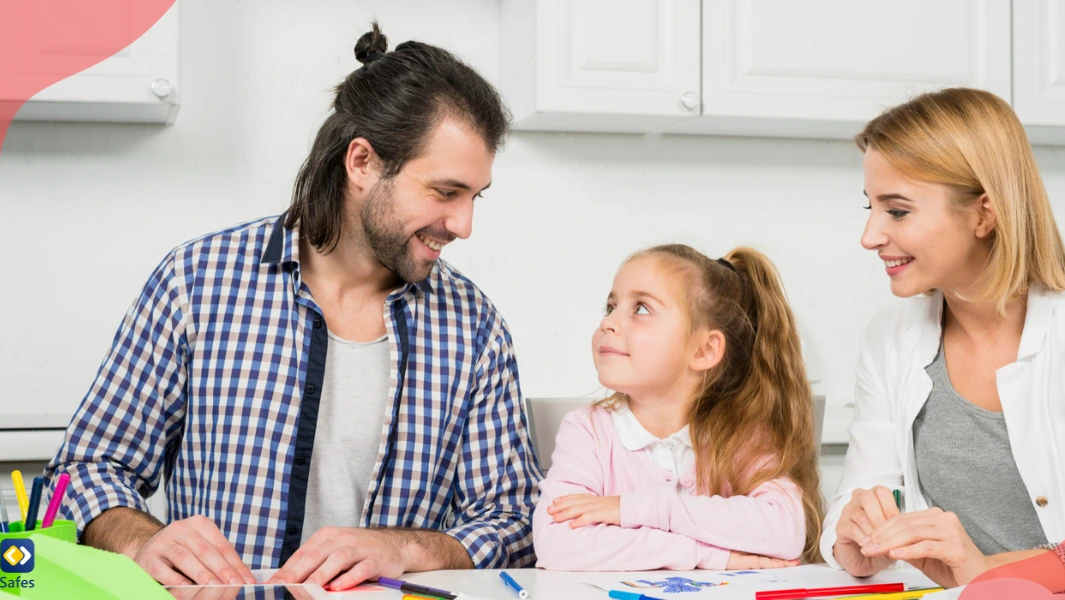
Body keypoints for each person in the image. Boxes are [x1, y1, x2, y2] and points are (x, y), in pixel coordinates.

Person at [47, 23, 542, 591]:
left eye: (474, 198)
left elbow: (512, 520)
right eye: (445, 192)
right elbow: (85, 471)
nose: (464, 225)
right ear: (362, 163)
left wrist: (400, 546)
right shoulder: (196, 282)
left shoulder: (474, 327)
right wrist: (142, 540)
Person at [822, 88, 1065, 592]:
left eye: (897, 211)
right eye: (871, 207)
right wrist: (852, 538)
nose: (870, 235)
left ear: (984, 215)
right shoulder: (889, 337)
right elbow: (858, 492)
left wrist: (991, 571)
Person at [533, 244, 823, 570]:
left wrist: (640, 510)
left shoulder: (738, 434)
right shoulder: (587, 431)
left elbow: (786, 530)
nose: (609, 322)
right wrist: (709, 556)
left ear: (704, 350)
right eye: (610, 307)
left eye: (641, 308)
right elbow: (557, 543)